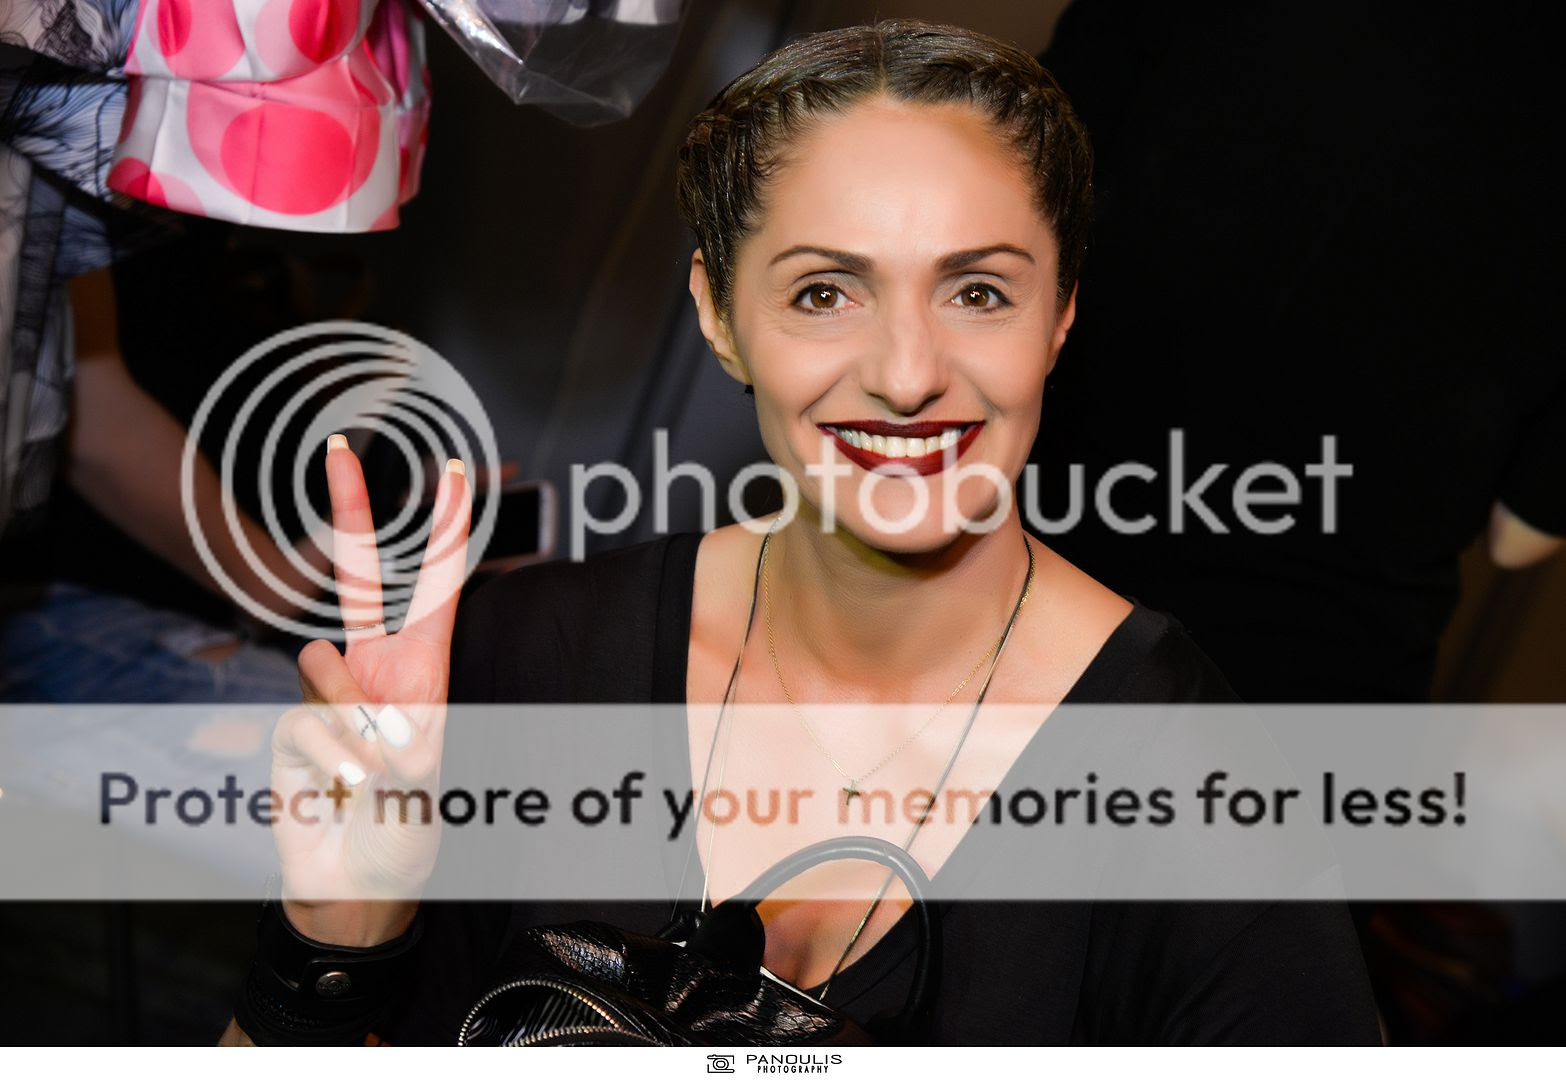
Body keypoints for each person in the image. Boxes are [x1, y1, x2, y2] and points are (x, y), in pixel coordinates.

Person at [221, 20, 1379, 1045]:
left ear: (1061, 315)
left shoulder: (1189, 782)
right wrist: (336, 940)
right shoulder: (524, 661)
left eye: (979, 291)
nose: (907, 375)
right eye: (825, 292)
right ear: (720, 314)